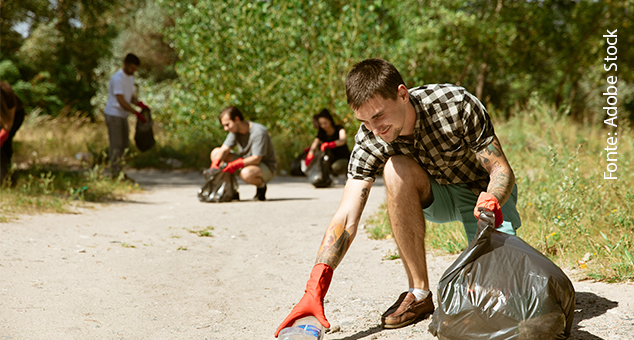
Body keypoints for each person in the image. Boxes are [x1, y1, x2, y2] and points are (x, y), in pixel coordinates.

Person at [275, 58, 522, 336]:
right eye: (364, 121)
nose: (374, 129)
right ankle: (418, 293)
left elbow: (501, 169)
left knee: (506, 298)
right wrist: (316, 285)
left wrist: (492, 199)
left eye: (379, 116)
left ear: (402, 94)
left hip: (484, 199)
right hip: (435, 197)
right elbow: (346, 215)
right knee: (394, 169)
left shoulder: (455, 105)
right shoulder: (369, 138)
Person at [209, 106, 277, 201]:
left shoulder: (258, 132)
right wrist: (215, 164)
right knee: (216, 153)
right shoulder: (234, 131)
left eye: (227, 124)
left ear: (237, 119)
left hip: (264, 166)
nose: (225, 128)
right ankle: (230, 191)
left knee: (246, 173)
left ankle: (261, 187)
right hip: (245, 162)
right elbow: (224, 150)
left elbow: (256, 158)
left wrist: (234, 165)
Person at [103, 53, 149, 178]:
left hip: (123, 116)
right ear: (125, 64)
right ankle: (115, 172)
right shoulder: (118, 78)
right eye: (132, 68)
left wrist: (140, 104)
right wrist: (136, 113)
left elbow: (130, 97)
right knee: (116, 144)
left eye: (135, 69)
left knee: (125, 145)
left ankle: (120, 171)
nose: (134, 71)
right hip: (114, 114)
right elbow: (121, 100)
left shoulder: (130, 78)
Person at [304, 109, 351, 178]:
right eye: (321, 124)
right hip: (330, 159)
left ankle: (343, 175)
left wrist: (331, 144)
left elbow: (343, 140)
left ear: (330, 121)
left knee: (336, 167)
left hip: (343, 158)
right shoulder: (322, 133)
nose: (323, 126)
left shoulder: (339, 129)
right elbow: (314, 144)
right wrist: (310, 154)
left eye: (325, 123)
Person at [1, 81, 26, 181]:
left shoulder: (6, 91)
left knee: (4, 144)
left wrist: (1, 137)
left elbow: (8, 125)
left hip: (14, 116)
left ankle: (6, 177)